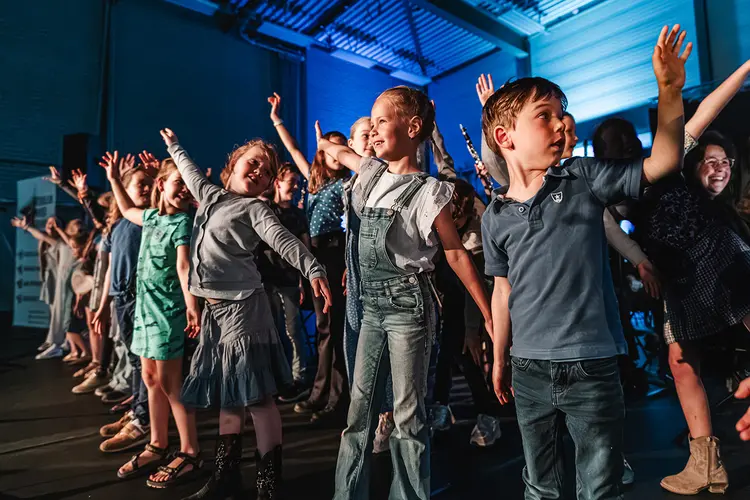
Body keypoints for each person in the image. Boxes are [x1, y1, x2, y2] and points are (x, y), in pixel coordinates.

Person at [482, 25, 690, 500]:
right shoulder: (496, 217)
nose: (562, 124)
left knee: (600, 487)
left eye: (563, 115)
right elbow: (502, 292)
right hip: (528, 369)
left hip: (592, 367)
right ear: (505, 137)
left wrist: (670, 92)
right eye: (545, 116)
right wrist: (499, 359)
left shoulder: (582, 178)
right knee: (540, 486)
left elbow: (661, 163)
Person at [318, 85, 493, 500]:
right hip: (369, 306)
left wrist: (486, 311)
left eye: (381, 121)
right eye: (371, 123)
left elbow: (455, 252)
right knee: (358, 414)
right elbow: (344, 155)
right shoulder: (370, 173)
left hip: (406, 308)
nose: (374, 131)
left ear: (413, 127)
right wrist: (324, 142)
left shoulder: (430, 191)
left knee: (408, 415)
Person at [161, 127, 332, 499]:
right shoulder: (209, 195)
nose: (259, 171)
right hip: (214, 313)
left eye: (267, 171)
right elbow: (189, 171)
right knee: (229, 395)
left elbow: (281, 239)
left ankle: (267, 485)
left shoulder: (256, 208)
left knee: (257, 398)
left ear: (268, 184)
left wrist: (312, 267)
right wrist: (175, 145)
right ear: (234, 163)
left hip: (244, 309)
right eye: (253, 162)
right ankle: (225, 477)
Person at [102, 153, 203, 488]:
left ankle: (189, 450)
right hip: (145, 311)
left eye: (188, 187)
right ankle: (157, 443)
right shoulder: (151, 217)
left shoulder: (182, 223)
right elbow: (127, 209)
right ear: (162, 185)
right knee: (149, 378)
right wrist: (115, 179)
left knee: (172, 384)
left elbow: (183, 266)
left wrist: (192, 306)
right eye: (179, 184)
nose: (185, 191)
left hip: (167, 313)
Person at [268, 93, 350, 424]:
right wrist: (277, 119)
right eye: (328, 148)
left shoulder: (348, 183)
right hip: (313, 256)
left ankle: (335, 396)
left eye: (339, 149)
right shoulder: (314, 182)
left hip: (334, 252)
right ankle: (320, 390)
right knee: (323, 327)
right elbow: (293, 151)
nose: (334, 153)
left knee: (334, 327)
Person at [93, 157, 155, 453]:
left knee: (144, 361)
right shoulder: (119, 226)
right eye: (139, 184)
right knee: (132, 360)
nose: (145, 188)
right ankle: (136, 411)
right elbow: (110, 271)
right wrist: (104, 305)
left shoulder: (150, 218)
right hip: (122, 300)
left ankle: (143, 419)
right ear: (125, 190)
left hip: (142, 300)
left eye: (148, 183)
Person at [258, 162, 314, 402]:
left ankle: (298, 378)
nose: (296, 185)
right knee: (274, 330)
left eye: (298, 182)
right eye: (292, 181)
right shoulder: (266, 208)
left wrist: (304, 281)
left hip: (290, 279)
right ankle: (277, 378)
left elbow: (306, 249)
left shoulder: (298, 215)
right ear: (278, 183)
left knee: (293, 331)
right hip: (268, 280)